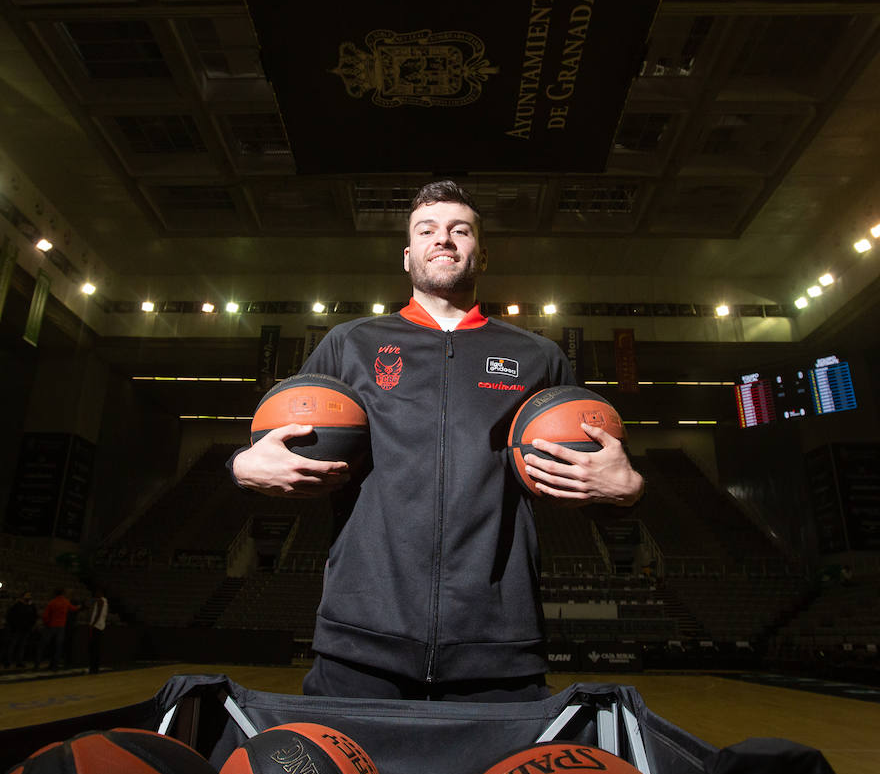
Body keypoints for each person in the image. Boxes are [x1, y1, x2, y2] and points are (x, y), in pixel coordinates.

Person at [231, 179, 643, 701]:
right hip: (360, 641)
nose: (443, 238)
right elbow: (280, 444)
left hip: (498, 645)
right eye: (426, 230)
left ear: (482, 254)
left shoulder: (538, 356)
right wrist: (241, 466)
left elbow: (593, 473)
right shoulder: (350, 343)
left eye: (459, 230)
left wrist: (629, 490)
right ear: (408, 257)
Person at [35, 588, 80, 671]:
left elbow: (45, 616)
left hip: (51, 626)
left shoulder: (52, 602)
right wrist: (79, 606)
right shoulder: (66, 602)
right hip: (61, 627)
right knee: (58, 647)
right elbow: (74, 609)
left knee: (43, 645)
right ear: (63, 594)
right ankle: (54, 665)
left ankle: (37, 664)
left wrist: (47, 623)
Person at [4, 591, 37, 668]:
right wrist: (13, 626)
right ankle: (8, 661)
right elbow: (10, 616)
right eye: (27, 595)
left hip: (26, 629)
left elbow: (34, 616)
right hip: (17, 628)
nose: (28, 597)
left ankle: (19, 661)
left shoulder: (31, 606)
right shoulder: (17, 606)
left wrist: (31, 625)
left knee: (21, 646)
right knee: (13, 645)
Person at [86, 587, 109, 674]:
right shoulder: (106, 602)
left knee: (93, 648)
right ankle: (95, 668)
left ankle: (93, 668)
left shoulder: (100, 601)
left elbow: (98, 614)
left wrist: (92, 624)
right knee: (96, 648)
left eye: (97, 592)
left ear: (100, 592)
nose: (96, 594)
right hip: (101, 626)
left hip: (96, 626)